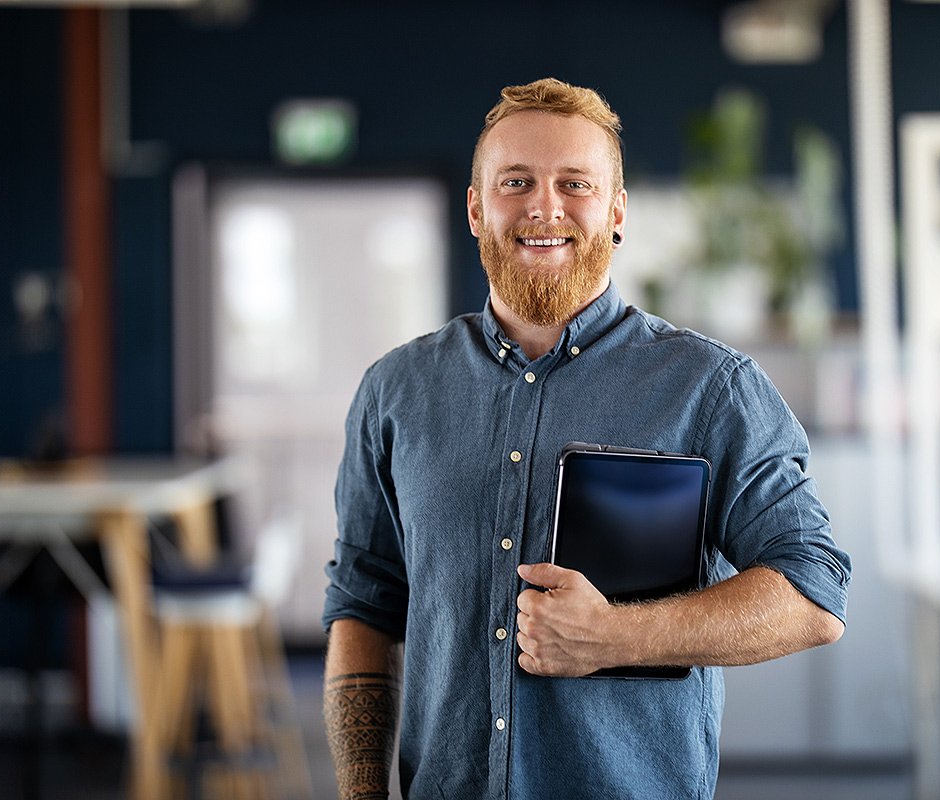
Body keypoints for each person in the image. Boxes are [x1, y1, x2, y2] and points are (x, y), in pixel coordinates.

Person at [322, 77, 850, 800]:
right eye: (516, 182)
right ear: (476, 209)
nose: (545, 206)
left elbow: (813, 594)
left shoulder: (711, 388)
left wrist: (616, 636)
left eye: (576, 183)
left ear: (617, 211)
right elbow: (364, 604)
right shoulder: (396, 391)